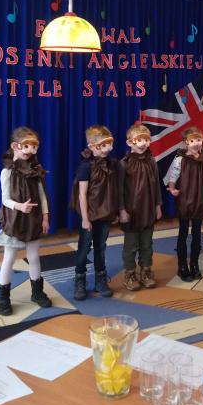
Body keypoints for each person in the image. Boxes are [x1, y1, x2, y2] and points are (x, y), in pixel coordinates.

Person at [0, 127, 52, 316]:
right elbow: (5, 199)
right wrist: (19, 206)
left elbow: (42, 196)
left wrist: (45, 216)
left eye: (34, 147)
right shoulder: (7, 172)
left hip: (33, 220)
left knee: (34, 257)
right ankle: (3, 298)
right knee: (9, 259)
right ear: (15, 146)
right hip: (14, 221)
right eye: (26, 146)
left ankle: (37, 293)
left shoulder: (35, 170)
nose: (30, 150)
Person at [70, 125, 119, 301]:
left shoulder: (111, 164)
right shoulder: (86, 167)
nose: (108, 149)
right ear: (92, 146)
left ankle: (100, 279)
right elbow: (82, 194)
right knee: (84, 248)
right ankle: (80, 279)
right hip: (90, 215)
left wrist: (114, 211)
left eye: (110, 144)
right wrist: (85, 218)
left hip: (104, 214)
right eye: (103, 145)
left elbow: (113, 190)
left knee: (101, 247)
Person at [164, 126, 203, 281]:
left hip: (200, 202)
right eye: (192, 141)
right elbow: (173, 178)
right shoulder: (180, 160)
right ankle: (182, 266)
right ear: (186, 142)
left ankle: (194, 264)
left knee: (197, 234)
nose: (196, 143)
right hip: (185, 201)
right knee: (183, 233)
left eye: (198, 140)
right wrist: (172, 189)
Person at [119, 123, 162, 291]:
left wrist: (158, 206)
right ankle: (130, 273)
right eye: (139, 140)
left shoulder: (152, 162)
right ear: (130, 142)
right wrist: (122, 210)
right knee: (130, 246)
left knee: (147, 244)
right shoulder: (124, 164)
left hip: (148, 210)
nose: (143, 144)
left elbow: (156, 186)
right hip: (131, 211)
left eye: (146, 140)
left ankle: (146, 271)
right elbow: (120, 190)